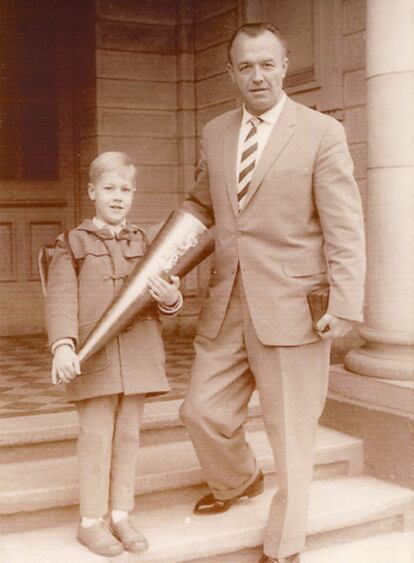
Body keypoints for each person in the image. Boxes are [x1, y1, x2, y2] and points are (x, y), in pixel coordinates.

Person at [179, 23, 365, 563]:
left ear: (284, 66)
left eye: (266, 64)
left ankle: (284, 547)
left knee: (291, 435)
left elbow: (345, 226)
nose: (256, 75)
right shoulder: (213, 133)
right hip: (226, 304)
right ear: (231, 72)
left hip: (294, 307)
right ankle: (238, 481)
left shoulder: (320, 132)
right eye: (245, 66)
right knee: (200, 411)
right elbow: (200, 210)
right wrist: (161, 269)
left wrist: (345, 304)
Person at [45, 151, 182, 558]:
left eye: (125, 189)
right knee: (96, 436)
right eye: (109, 188)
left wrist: (172, 298)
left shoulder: (147, 243)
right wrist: (63, 346)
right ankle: (91, 521)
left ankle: (121, 514)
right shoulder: (71, 243)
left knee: (128, 436)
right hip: (95, 357)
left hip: (138, 356)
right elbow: (60, 300)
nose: (118, 197)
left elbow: (167, 300)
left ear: (134, 194)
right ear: (92, 192)